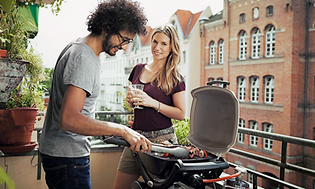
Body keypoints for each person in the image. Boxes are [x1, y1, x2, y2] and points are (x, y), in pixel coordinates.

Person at [39, 1, 152, 188]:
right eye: (123, 39)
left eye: (128, 42)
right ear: (106, 27)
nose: (124, 47)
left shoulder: (75, 46)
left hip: (58, 153)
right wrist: (122, 130)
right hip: (68, 158)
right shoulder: (85, 58)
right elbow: (69, 119)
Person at [112, 24, 186, 189]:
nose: (157, 47)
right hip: (134, 138)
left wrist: (152, 102)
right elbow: (133, 104)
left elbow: (181, 113)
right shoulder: (138, 69)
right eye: (155, 41)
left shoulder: (175, 78)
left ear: (171, 47)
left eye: (163, 43)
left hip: (161, 142)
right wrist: (131, 101)